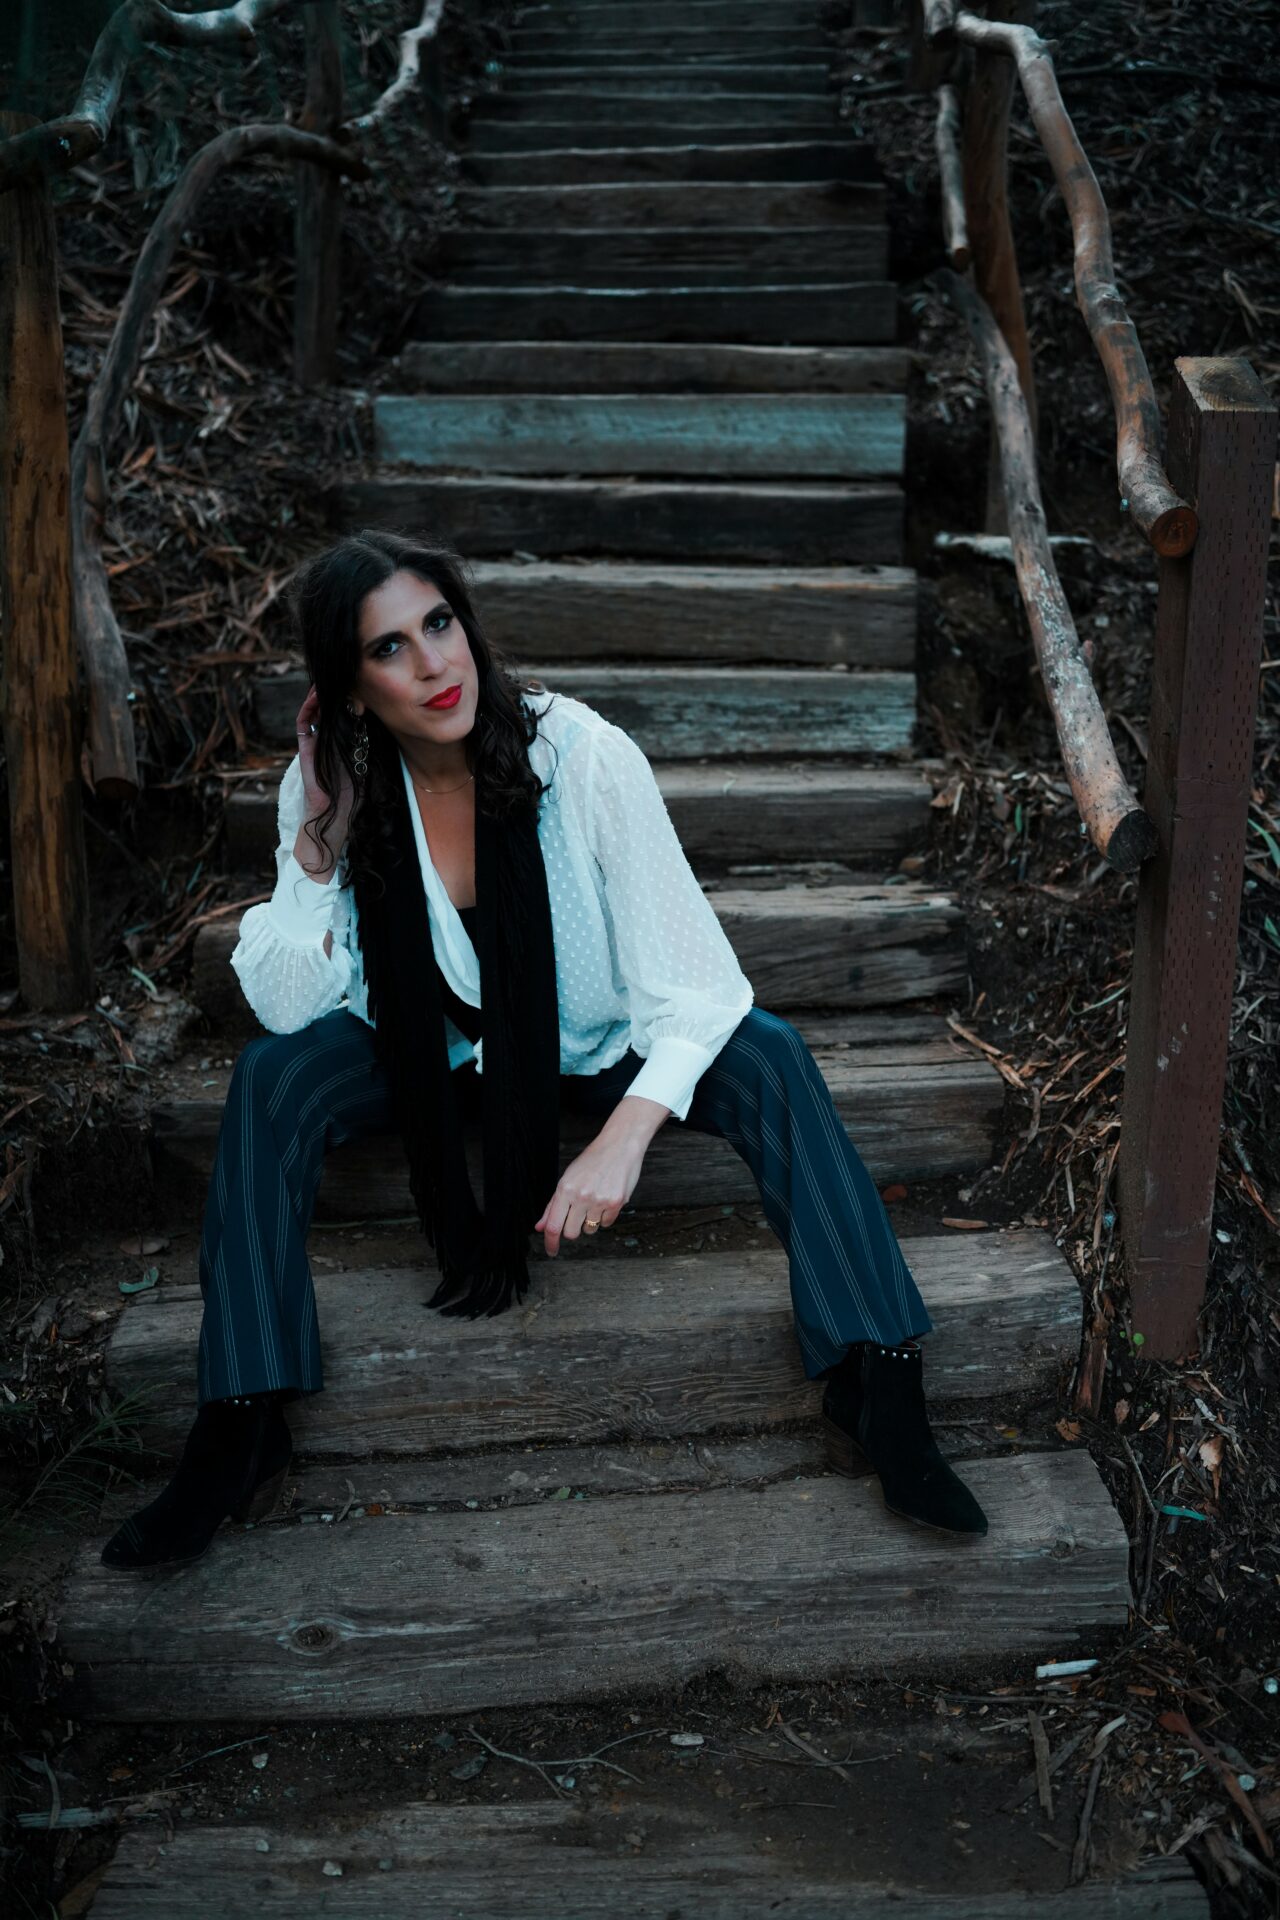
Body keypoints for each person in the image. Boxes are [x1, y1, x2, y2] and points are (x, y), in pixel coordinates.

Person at [100, 528, 987, 1572]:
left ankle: (878, 1379)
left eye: (439, 624)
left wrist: (624, 1136)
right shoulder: (335, 783)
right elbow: (288, 1007)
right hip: (429, 1059)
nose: (433, 663)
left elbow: (697, 984)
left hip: (588, 1045)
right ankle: (241, 1420)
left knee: (768, 1054)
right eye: (389, 648)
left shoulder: (581, 755)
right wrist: (319, 839)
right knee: (271, 1078)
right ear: (349, 690)